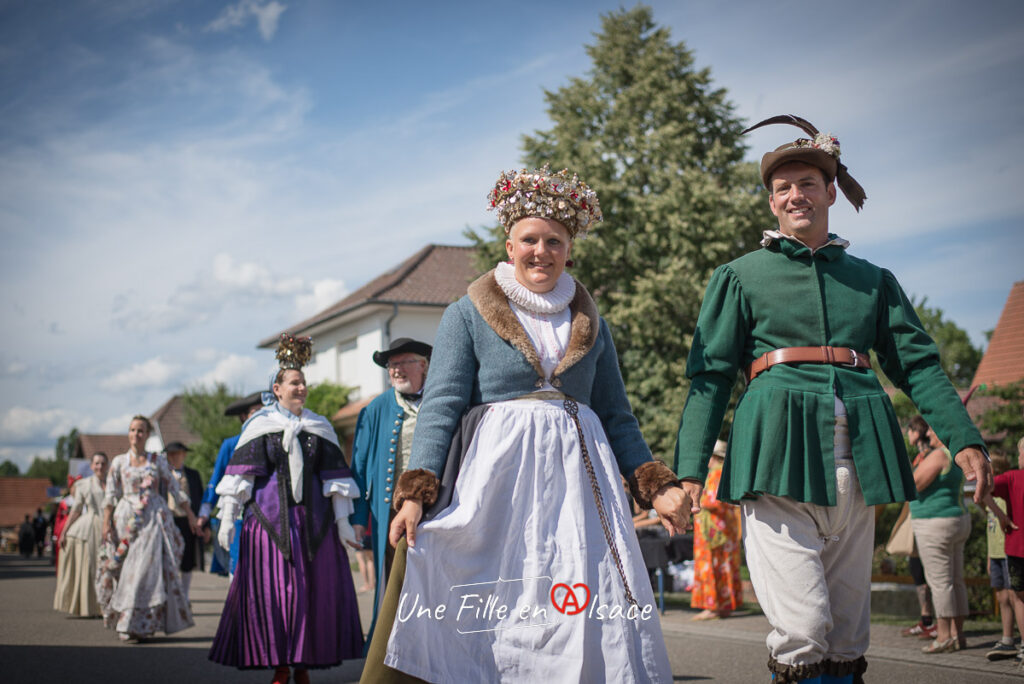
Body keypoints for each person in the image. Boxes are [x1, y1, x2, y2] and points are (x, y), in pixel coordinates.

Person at [673, 115, 991, 684]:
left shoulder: (873, 281)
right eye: (783, 188)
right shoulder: (740, 277)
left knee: (847, 633)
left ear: (830, 192)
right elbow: (710, 376)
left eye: (808, 184)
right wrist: (689, 471)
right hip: (775, 455)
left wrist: (963, 437)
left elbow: (918, 367)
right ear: (772, 203)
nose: (796, 195)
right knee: (804, 629)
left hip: (860, 459)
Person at [365, 165, 687, 683]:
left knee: (577, 599)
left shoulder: (590, 321)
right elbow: (442, 404)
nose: (542, 251)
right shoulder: (465, 313)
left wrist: (657, 486)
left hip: (581, 487)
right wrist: (414, 492)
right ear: (510, 245)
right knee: (495, 603)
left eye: (554, 241)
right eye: (530, 240)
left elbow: (617, 415)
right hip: (495, 485)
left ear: (569, 250)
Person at [209, 335, 364, 684]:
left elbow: (335, 480)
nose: (301, 388)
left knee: (310, 595)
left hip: (314, 528)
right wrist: (228, 520)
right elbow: (241, 478)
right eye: (294, 383)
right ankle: (280, 664)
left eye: (304, 383)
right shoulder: (260, 428)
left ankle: (303, 665)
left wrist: (343, 523)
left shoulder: (319, 427)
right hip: (268, 527)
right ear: (277, 389)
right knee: (276, 596)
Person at [350, 337, 432, 643]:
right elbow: (358, 467)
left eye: (403, 363)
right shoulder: (376, 409)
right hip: (388, 514)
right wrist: (359, 518)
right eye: (391, 365)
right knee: (390, 588)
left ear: (423, 365)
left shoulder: (441, 401)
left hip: (437, 510)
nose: (396, 370)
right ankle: (387, 654)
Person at [97, 416, 196, 642]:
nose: (136, 434)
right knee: (125, 572)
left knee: (144, 573)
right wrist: (106, 523)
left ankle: (139, 623)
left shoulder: (157, 461)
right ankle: (127, 619)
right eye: (132, 430)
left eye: (140, 430)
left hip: (152, 519)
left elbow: (173, 487)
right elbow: (110, 495)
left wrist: (190, 515)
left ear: (147, 434)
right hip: (126, 519)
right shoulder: (120, 462)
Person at [906, 416, 971, 653]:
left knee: (940, 583)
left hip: (935, 523)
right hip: (958, 519)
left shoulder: (938, 455)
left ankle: (943, 636)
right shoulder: (956, 453)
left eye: (932, 428)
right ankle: (958, 634)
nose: (929, 432)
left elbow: (915, 483)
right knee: (956, 581)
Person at [197, 390, 264, 577]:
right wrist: (204, 512)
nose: (261, 416)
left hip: (266, 514)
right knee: (238, 568)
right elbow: (217, 479)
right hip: (239, 515)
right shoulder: (231, 444)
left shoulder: (272, 440)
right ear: (244, 417)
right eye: (255, 412)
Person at [690, 440, 742, 621]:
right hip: (725, 529)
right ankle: (725, 606)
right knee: (725, 566)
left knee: (712, 566)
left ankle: (712, 606)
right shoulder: (726, 473)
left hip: (712, 530)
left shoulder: (716, 473)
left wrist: (693, 502)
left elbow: (713, 500)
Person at [54, 452, 109, 617]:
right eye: (97, 463)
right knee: (92, 567)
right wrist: (64, 532)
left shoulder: (114, 483)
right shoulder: (84, 485)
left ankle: (109, 605)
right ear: (92, 466)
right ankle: (91, 607)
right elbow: (76, 510)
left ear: (107, 466)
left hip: (109, 526)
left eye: (103, 463)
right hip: (91, 527)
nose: (99, 467)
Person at [985, 436, 1024, 663]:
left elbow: (982, 491)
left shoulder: (1011, 477)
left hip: (1016, 548)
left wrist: (1003, 518)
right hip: (1013, 548)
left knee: (1019, 598)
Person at [164, 441, 205, 599]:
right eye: (171, 454)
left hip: (188, 521)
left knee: (187, 559)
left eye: (177, 453)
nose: (174, 457)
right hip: (169, 520)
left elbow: (199, 499)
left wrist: (203, 524)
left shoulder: (193, 475)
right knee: (169, 558)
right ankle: (171, 595)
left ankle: (185, 595)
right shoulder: (163, 474)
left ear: (184, 455)